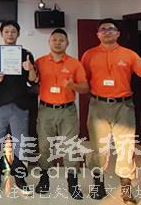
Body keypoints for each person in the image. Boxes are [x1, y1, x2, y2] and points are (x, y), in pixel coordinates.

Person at [82, 18, 141, 204]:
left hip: (123, 107)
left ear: (118, 33)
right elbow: (83, 81)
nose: (107, 32)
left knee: (126, 147)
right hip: (98, 106)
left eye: (111, 29)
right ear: (98, 34)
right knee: (98, 148)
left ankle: (126, 190)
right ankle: (98, 184)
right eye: (103, 29)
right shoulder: (89, 55)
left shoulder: (129, 55)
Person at [34, 28, 89, 199]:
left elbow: (85, 88)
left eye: (61, 40)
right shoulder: (39, 62)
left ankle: (73, 184)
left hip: (67, 111)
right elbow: (31, 81)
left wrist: (73, 86)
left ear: (67, 43)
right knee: (44, 146)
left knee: (70, 147)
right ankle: (44, 180)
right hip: (46, 110)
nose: (58, 43)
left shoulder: (75, 64)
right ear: (49, 42)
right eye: (54, 40)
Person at [0, 21, 37, 194]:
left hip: (20, 105)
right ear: (1, 33)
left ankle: (20, 179)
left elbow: (32, 80)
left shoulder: (26, 54)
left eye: (13, 31)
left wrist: (30, 68)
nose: (10, 34)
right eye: (7, 31)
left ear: (18, 34)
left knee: (20, 144)